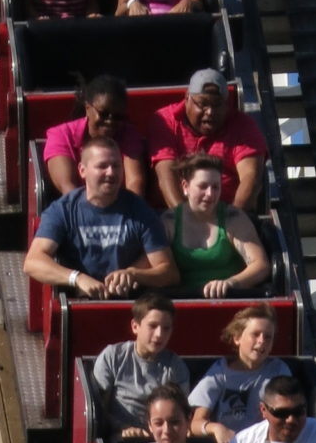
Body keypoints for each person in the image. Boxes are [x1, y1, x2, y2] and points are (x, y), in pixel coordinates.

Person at [25, 137, 176, 302]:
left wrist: (133, 274)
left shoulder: (140, 210)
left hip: (131, 303)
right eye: (102, 166)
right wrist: (77, 279)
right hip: (79, 303)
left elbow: (168, 272)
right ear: (82, 171)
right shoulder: (63, 209)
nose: (111, 172)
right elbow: (33, 262)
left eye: (116, 166)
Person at [150, 70, 267, 211]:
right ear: (187, 98)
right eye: (203, 104)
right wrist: (185, 220)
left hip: (228, 214)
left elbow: (250, 177)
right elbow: (166, 176)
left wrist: (233, 220)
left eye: (217, 105)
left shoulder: (243, 125)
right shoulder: (165, 121)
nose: (210, 112)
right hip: (174, 216)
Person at [170, 157, 270, 300]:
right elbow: (156, 265)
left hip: (229, 300)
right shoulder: (170, 221)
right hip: (182, 304)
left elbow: (260, 265)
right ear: (185, 187)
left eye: (215, 187)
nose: (210, 194)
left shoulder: (233, 218)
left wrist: (230, 283)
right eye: (203, 186)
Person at [90, 297, 191, 435]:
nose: (159, 334)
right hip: (117, 439)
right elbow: (98, 407)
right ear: (135, 326)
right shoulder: (113, 356)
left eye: (166, 328)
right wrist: (121, 429)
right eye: (153, 326)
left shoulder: (175, 367)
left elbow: (179, 414)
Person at [43, 72, 149, 199]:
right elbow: (68, 186)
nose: (110, 121)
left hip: (121, 209)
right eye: (104, 114)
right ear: (88, 107)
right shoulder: (61, 135)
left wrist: (131, 213)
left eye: (118, 117)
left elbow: (135, 182)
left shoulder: (129, 134)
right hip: (74, 209)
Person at [189, 306, 279, 443]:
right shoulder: (219, 373)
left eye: (268, 336)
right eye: (255, 334)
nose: (262, 341)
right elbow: (195, 424)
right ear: (237, 338)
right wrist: (216, 428)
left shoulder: (278, 370)